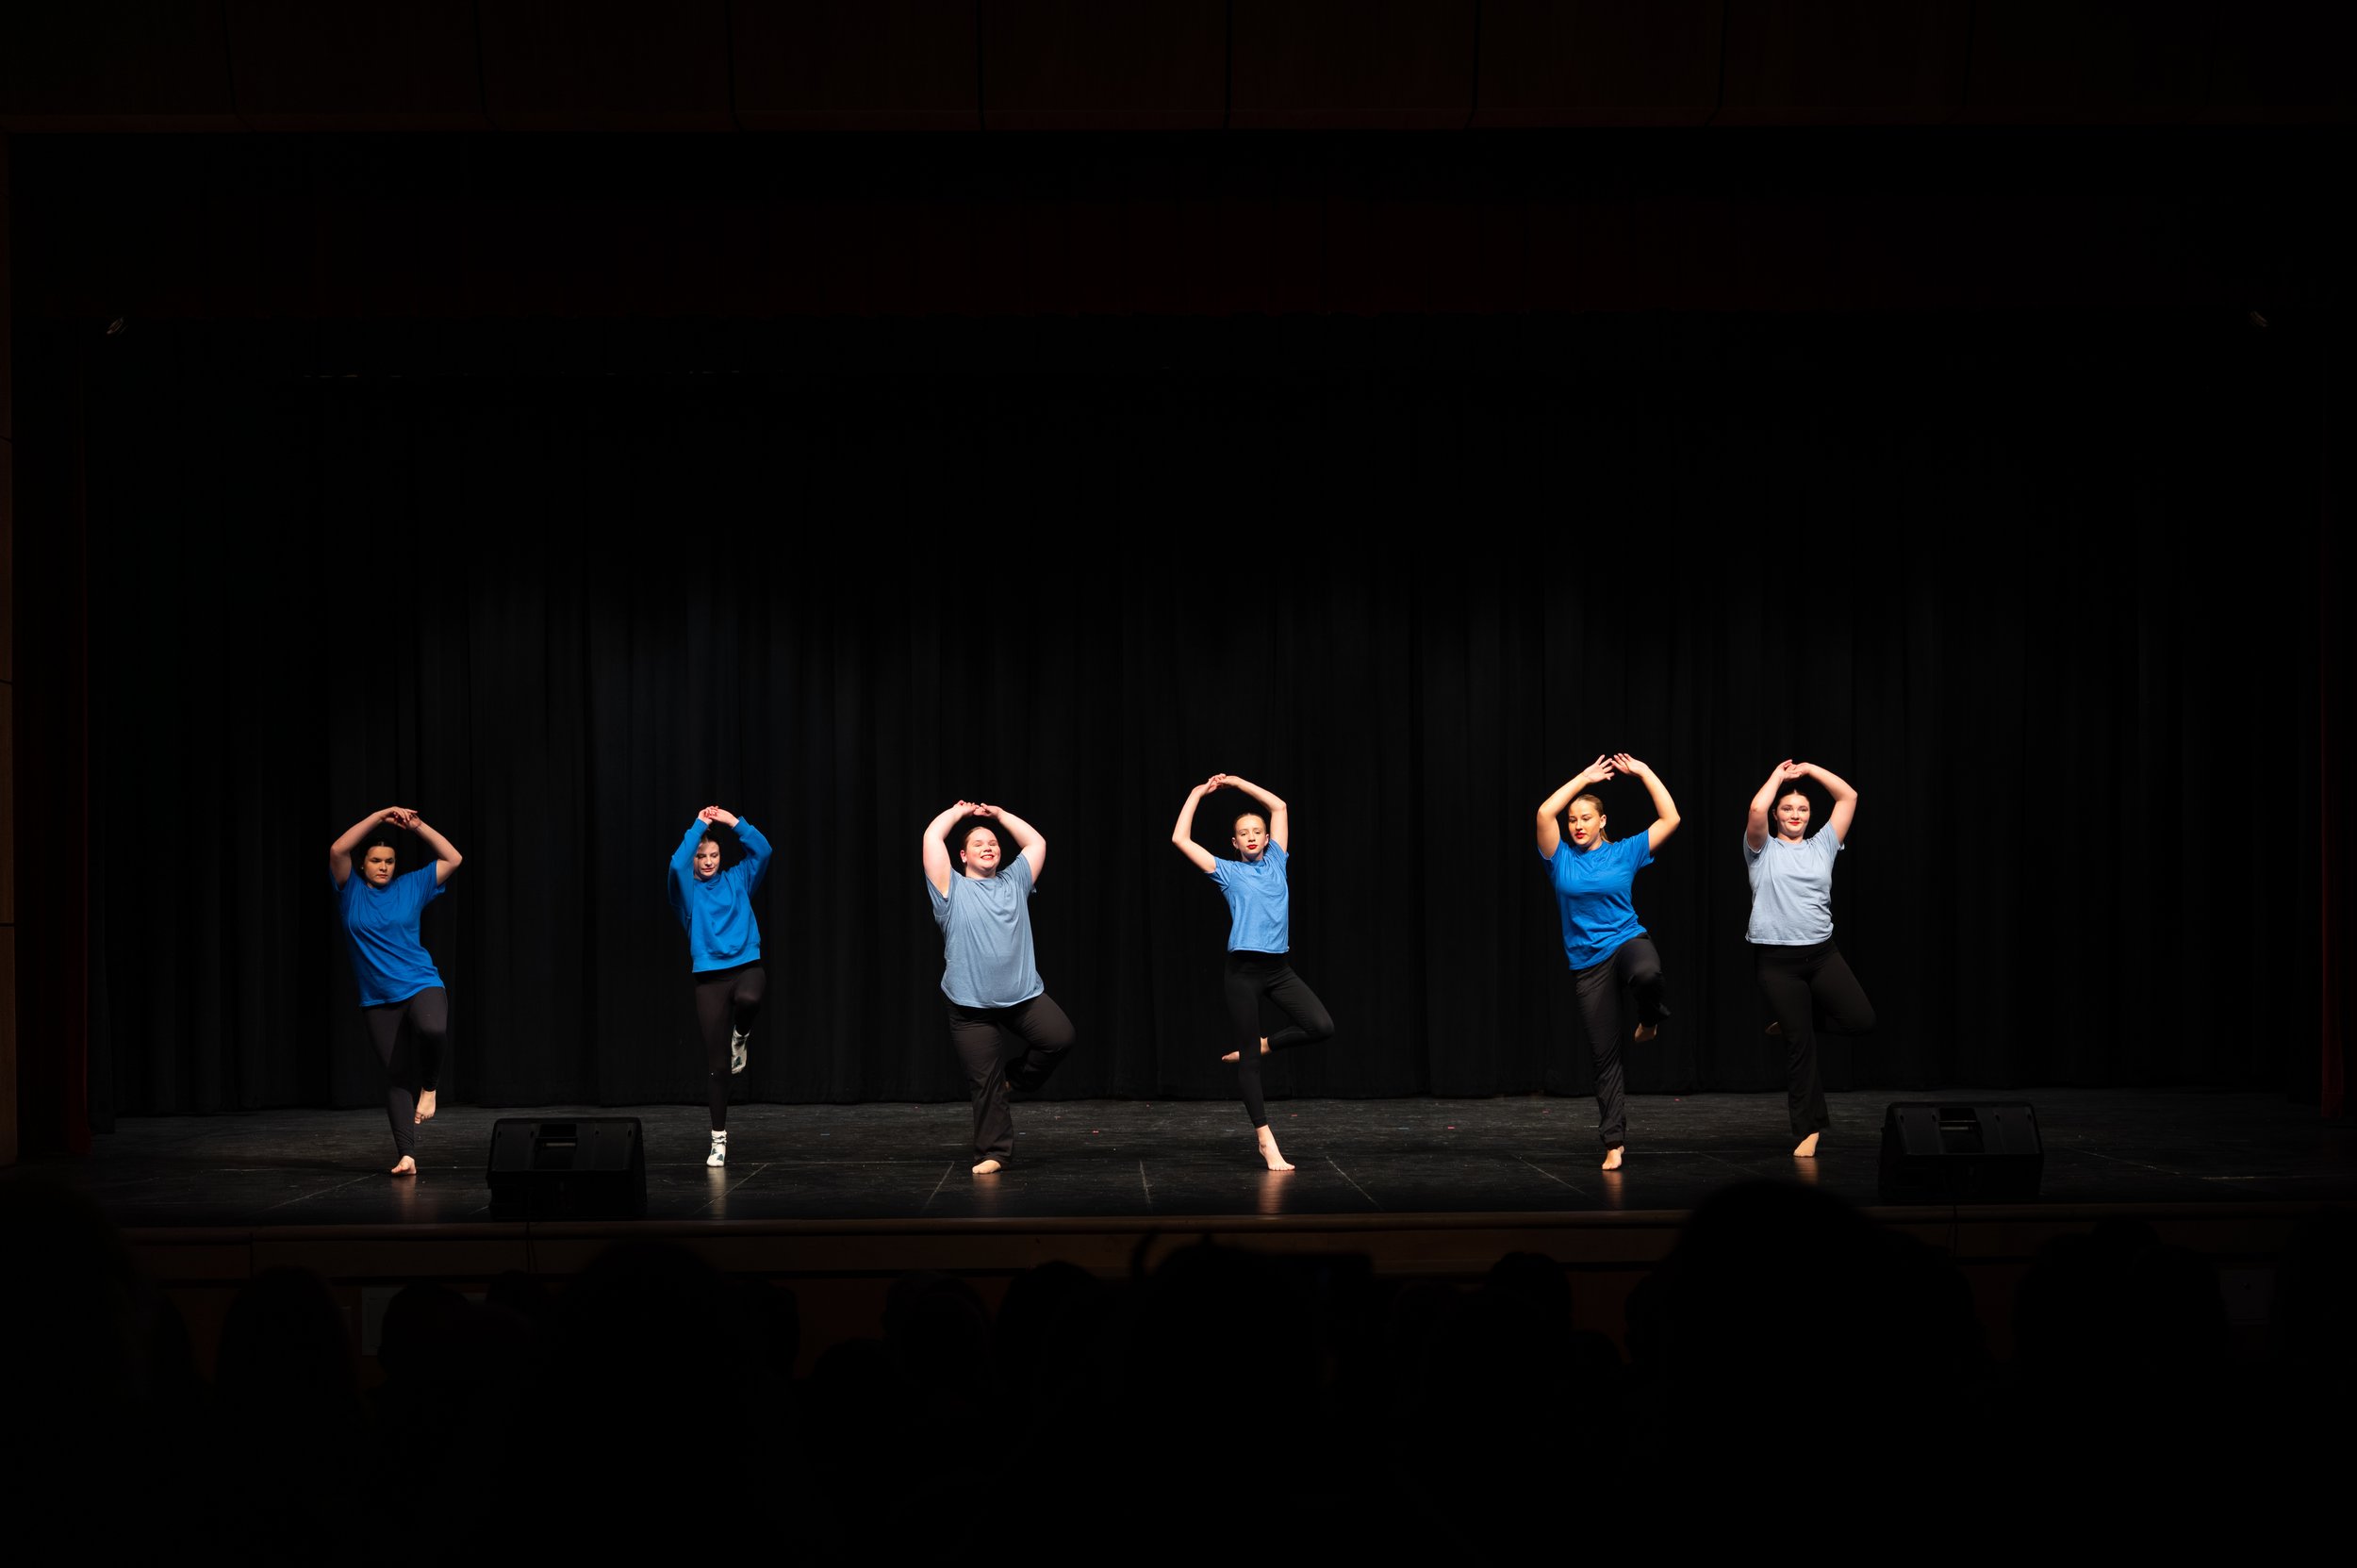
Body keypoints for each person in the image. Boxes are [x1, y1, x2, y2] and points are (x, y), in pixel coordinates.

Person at [1170, 772, 1336, 1172]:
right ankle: (1266, 1139)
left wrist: (1239, 783)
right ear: (1234, 842)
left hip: (1278, 969)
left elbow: (1278, 806)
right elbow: (1180, 840)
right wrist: (1197, 792)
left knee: (1321, 1025)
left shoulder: (1278, 859)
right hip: (1243, 973)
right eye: (1242, 833)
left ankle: (1267, 1043)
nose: (1250, 837)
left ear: (1266, 839)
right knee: (1249, 1063)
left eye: (1256, 831)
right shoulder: (1228, 871)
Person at [1535, 753, 1681, 1170]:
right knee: (1605, 1056)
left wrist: (1645, 772)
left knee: (1648, 973)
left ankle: (1649, 1018)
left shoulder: (1625, 851)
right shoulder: (1558, 858)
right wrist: (1583, 776)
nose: (1577, 825)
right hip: (1588, 963)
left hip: (1626, 940)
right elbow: (1545, 810)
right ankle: (1614, 1142)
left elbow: (1670, 819)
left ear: (1602, 821)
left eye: (1586, 818)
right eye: (1573, 819)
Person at [922, 801, 1075, 1176]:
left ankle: (1016, 1079)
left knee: (1060, 1037)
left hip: (1022, 997)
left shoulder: (1015, 881)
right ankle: (994, 1152)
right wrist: (959, 814)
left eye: (992, 842)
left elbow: (1036, 844)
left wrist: (1001, 817)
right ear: (962, 855)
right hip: (969, 1006)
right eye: (978, 843)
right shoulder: (949, 888)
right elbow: (931, 836)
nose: (988, 846)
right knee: (984, 1083)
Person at [1745, 760, 1874, 1156]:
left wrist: (1811, 771)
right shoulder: (1761, 848)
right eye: (1787, 809)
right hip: (1777, 962)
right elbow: (1755, 811)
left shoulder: (1824, 845)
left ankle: (1793, 1021)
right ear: (1776, 814)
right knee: (1802, 1049)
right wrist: (1777, 778)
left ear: (1810, 816)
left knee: (1861, 1021)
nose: (1795, 815)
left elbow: (1848, 796)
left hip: (1821, 954)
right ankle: (1808, 1129)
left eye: (1802, 809)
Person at [328, 807, 464, 1176]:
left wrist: (416, 826)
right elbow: (338, 849)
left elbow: (454, 857)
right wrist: (378, 817)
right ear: (363, 864)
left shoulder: (412, 886)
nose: (384, 866)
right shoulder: (349, 891)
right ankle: (407, 1154)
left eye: (389, 860)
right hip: (377, 1000)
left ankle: (431, 1088)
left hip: (421, 982)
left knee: (433, 1029)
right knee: (396, 1074)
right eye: (376, 860)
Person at [668, 805, 774, 1168]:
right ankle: (718, 1139)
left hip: (746, 966)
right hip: (709, 979)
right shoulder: (688, 895)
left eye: (714, 855)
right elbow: (676, 866)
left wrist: (732, 822)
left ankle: (740, 1036)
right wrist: (697, 827)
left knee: (750, 996)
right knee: (718, 1068)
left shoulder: (738, 879)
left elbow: (763, 850)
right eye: (702, 856)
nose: (708, 861)